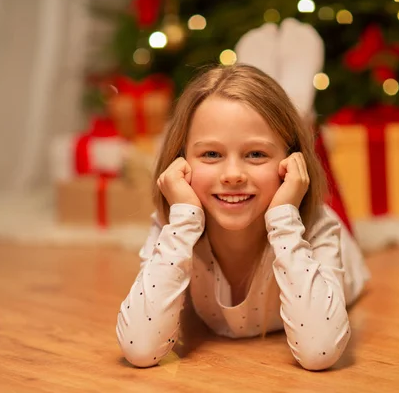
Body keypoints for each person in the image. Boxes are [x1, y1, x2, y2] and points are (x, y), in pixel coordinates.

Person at [116, 64, 370, 371]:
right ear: (180, 162)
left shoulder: (316, 225)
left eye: (255, 154)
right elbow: (140, 348)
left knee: (338, 213)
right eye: (211, 154)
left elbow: (320, 351)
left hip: (331, 242)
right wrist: (182, 222)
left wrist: (285, 219)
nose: (233, 175)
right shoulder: (175, 225)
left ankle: (303, 107)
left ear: (292, 162)